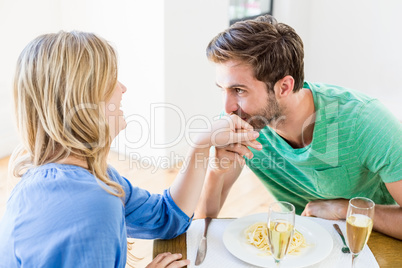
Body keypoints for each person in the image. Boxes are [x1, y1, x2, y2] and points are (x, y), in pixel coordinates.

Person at [0, 31, 261, 267]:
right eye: (111, 79)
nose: (122, 88)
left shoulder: (98, 178)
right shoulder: (90, 205)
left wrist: (201, 145)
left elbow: (167, 218)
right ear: (84, 98)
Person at [195, 14, 402, 240]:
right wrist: (215, 170)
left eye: (239, 91)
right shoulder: (244, 123)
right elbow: (203, 225)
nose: (227, 108)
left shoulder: (365, 122)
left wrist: (345, 209)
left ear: (284, 87)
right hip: (298, 243)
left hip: (369, 241)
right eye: (222, 89)